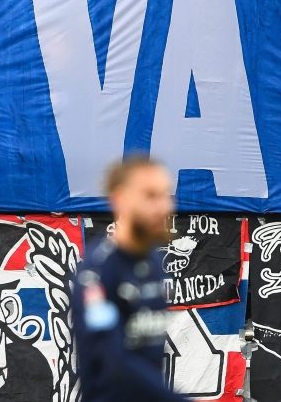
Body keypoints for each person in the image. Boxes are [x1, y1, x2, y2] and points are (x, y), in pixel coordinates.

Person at [72, 156, 187, 402]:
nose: (164, 207)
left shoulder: (153, 261)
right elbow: (115, 364)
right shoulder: (97, 273)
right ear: (120, 200)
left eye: (166, 195)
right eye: (150, 196)